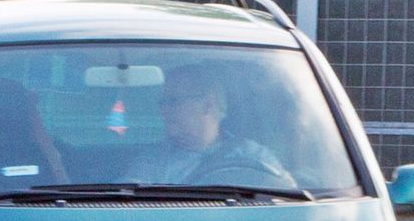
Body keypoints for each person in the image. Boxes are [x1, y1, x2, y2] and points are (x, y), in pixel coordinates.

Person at [122, 68, 292, 187]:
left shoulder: (255, 157)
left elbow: (287, 197)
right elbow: (128, 205)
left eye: (172, 101)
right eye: (162, 103)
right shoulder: (154, 161)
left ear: (207, 105)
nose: (163, 110)